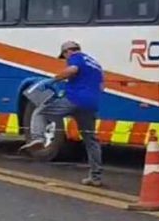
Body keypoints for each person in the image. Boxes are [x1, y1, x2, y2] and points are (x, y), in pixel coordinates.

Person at [20, 41, 105, 187]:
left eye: (64, 56)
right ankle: (95, 177)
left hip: (73, 100)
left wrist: (54, 80)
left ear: (67, 52)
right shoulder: (96, 65)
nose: (65, 59)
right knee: (91, 139)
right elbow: (101, 87)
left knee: (40, 111)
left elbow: (72, 70)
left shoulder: (76, 57)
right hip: (91, 105)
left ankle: (38, 139)